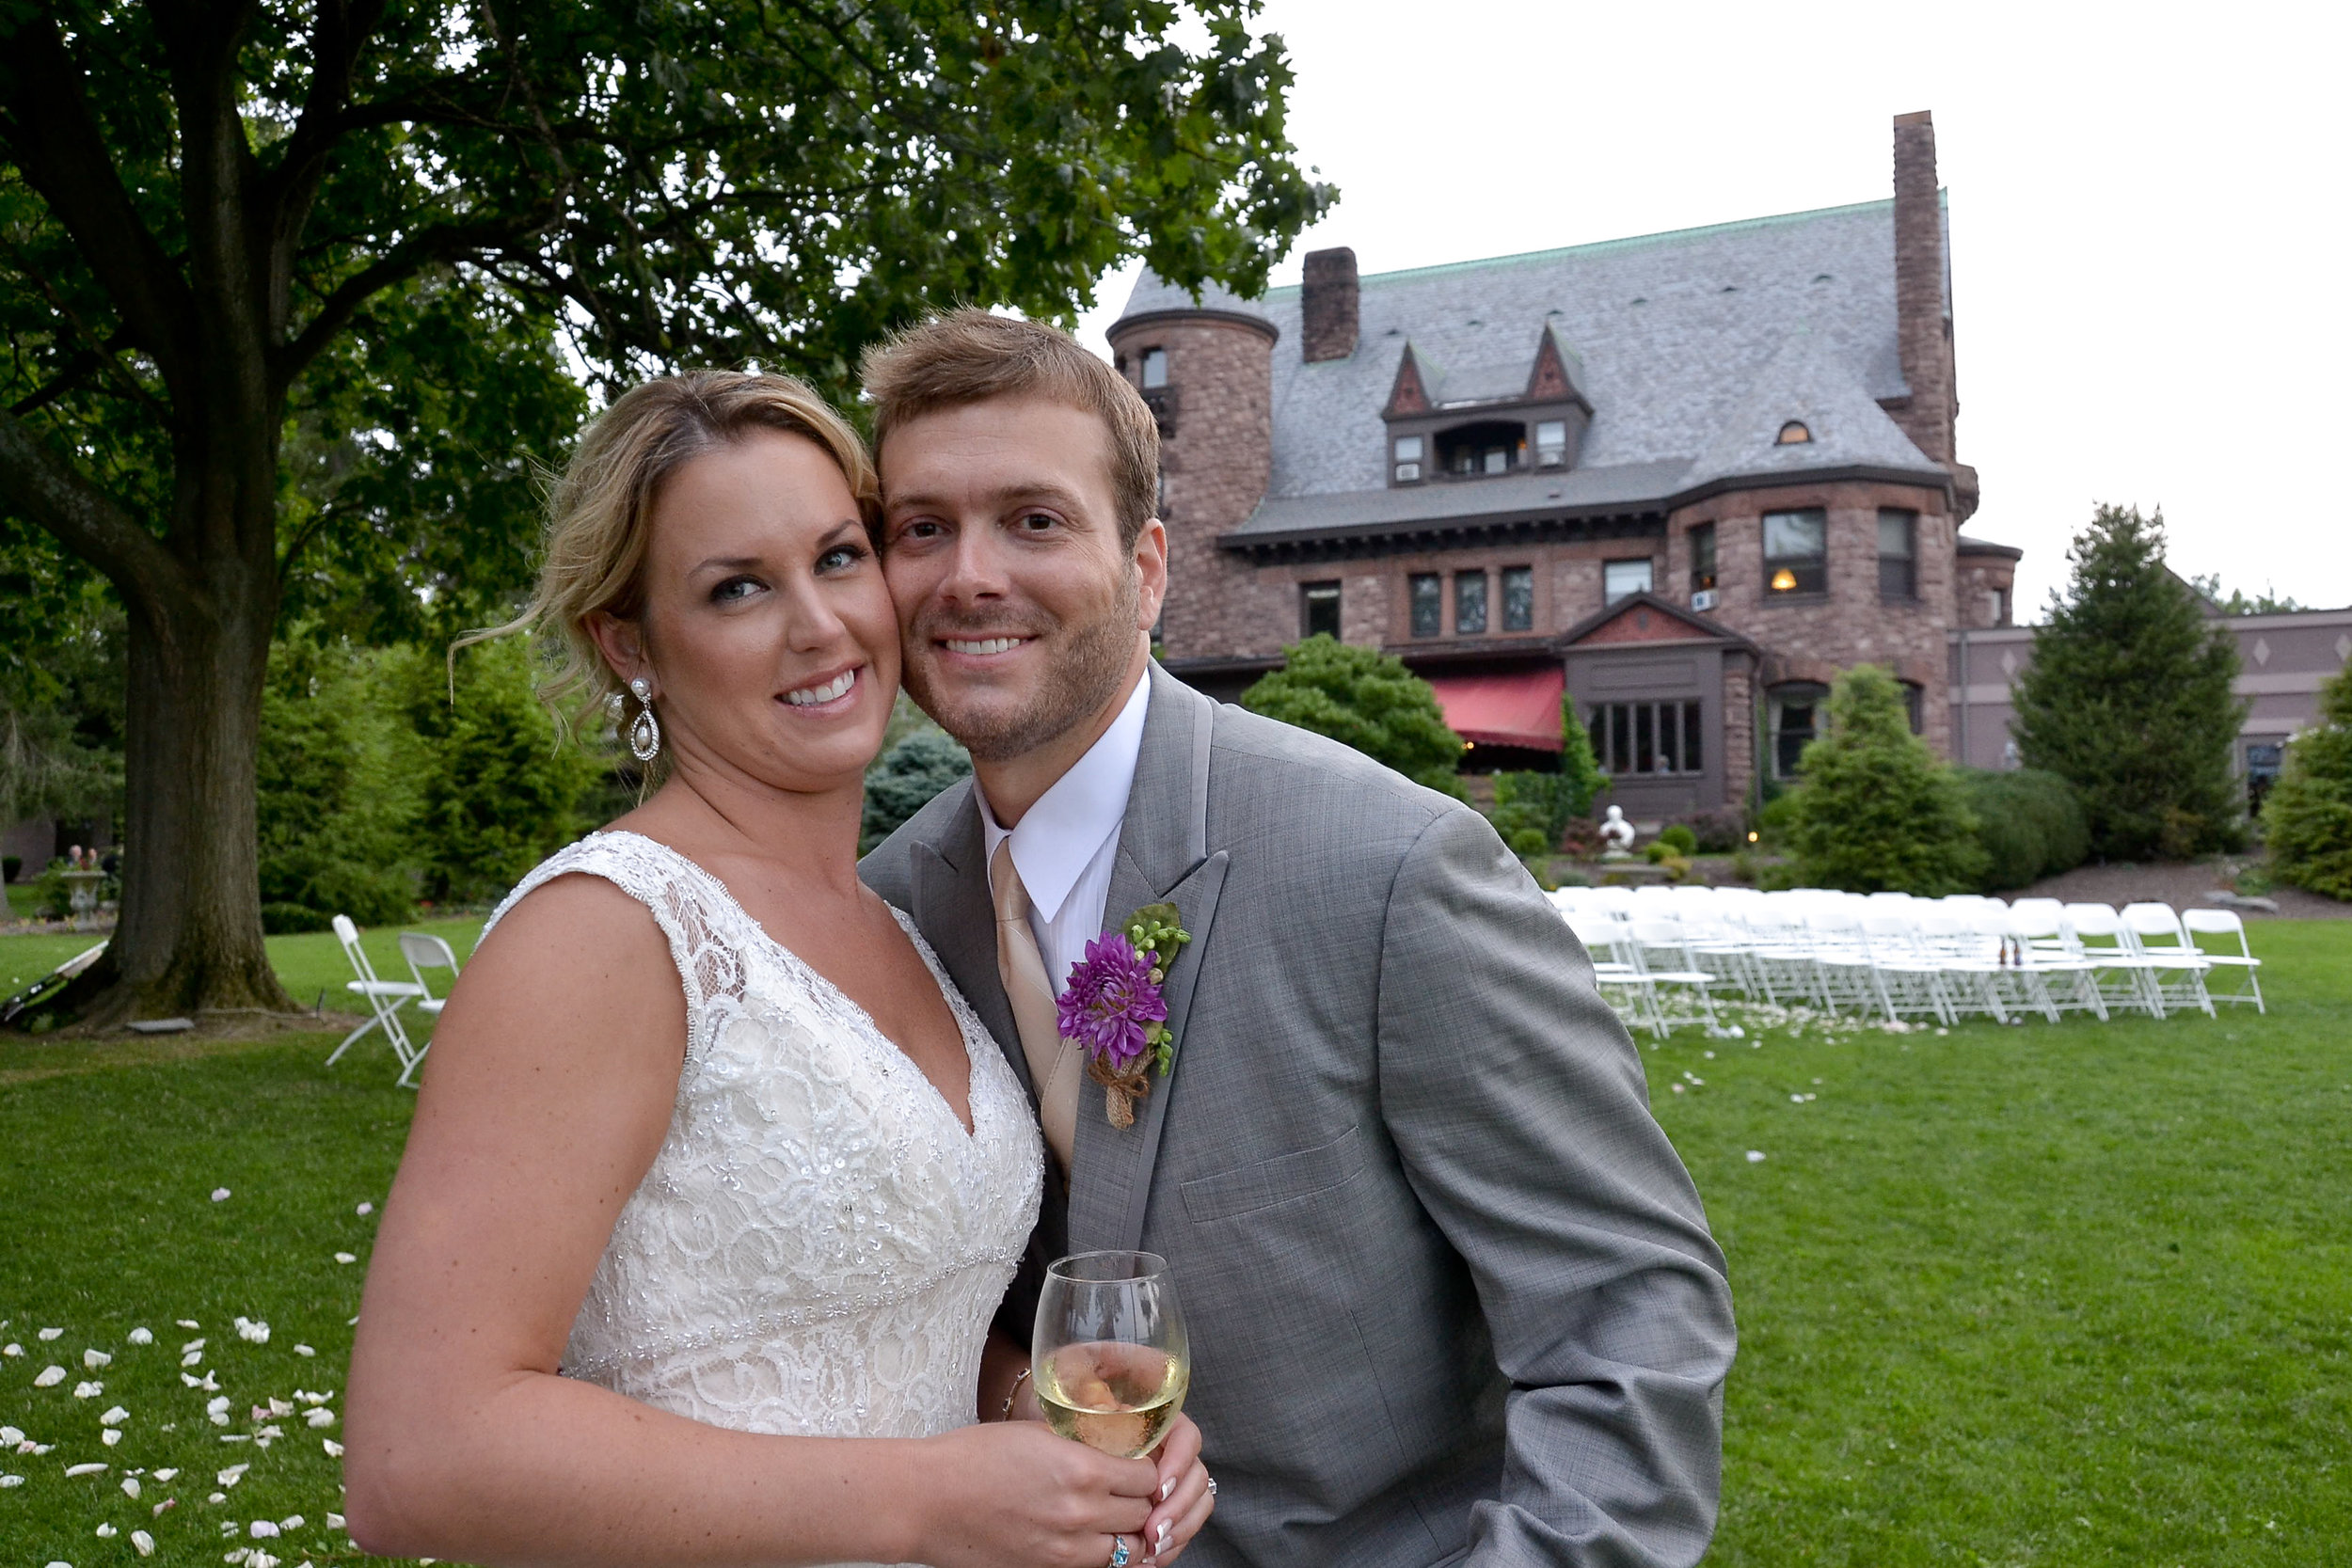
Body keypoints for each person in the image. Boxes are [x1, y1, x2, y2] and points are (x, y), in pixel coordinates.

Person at [860, 311, 1738, 1567]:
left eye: (1035, 520)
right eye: (921, 528)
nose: (968, 577)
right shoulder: (886, 903)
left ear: (1149, 567)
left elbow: (1627, 1317)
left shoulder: (1387, 870)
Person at [343, 371, 1212, 1568]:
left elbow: (887, 1335)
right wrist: (921, 1500)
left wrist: (1049, 1412)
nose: (818, 624)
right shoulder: (605, 933)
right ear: (630, 644)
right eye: (737, 587)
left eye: (839, 557)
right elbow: (420, 1457)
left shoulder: (902, 914)